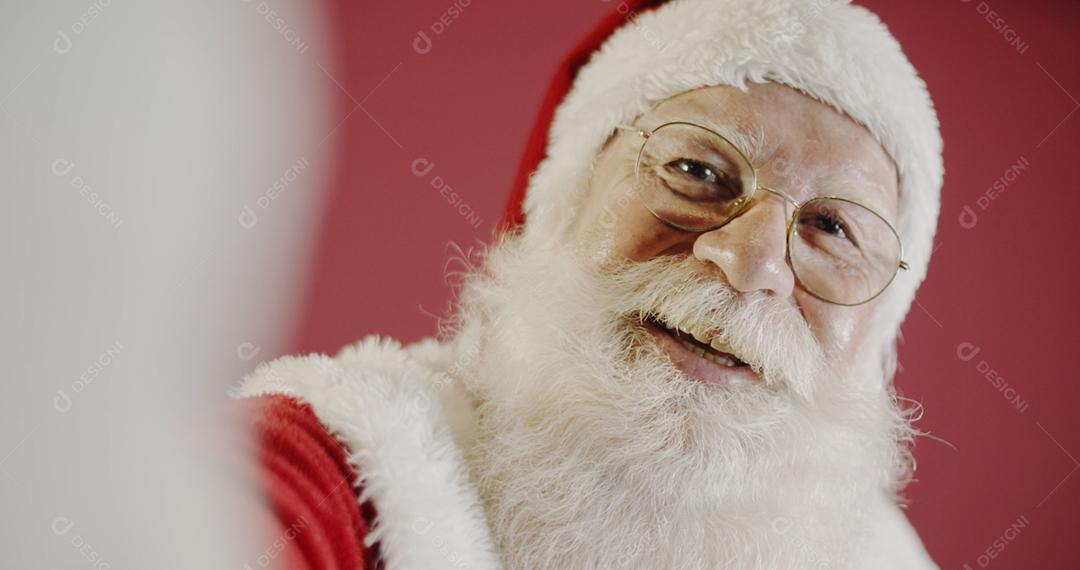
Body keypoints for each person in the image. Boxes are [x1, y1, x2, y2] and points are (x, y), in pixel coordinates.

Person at [232, 0, 943, 568]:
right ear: (562, 199)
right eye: (697, 171)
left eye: (833, 228)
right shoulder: (355, 456)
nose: (750, 262)